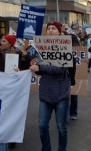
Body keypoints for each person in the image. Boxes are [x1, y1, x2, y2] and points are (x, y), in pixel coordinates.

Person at [29, 21, 71, 151]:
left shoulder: (65, 47)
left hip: (61, 93)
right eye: (49, 28)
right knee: (42, 126)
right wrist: (35, 67)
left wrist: (41, 67)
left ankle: (61, 149)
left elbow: (60, 70)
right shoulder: (41, 48)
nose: (51, 30)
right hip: (45, 92)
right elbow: (41, 70)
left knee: (61, 127)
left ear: (59, 32)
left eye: (54, 28)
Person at [68, 34, 79, 120]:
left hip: (74, 76)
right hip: (69, 75)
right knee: (73, 96)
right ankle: (73, 113)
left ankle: (72, 112)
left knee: (73, 95)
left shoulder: (79, 50)